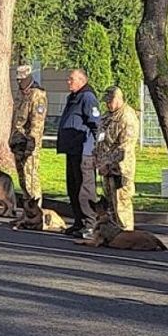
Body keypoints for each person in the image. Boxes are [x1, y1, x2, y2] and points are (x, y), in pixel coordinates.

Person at [56, 69, 100, 237]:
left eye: (72, 79)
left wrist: (96, 148)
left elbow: (95, 123)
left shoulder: (87, 97)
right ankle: (79, 222)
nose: (69, 82)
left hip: (85, 151)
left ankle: (90, 223)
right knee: (73, 187)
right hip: (72, 150)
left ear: (82, 80)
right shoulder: (73, 97)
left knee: (85, 189)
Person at [94, 86, 139, 230]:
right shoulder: (108, 116)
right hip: (105, 168)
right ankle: (113, 233)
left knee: (121, 202)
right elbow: (101, 140)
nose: (107, 104)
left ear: (118, 99)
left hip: (119, 169)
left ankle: (125, 232)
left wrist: (108, 164)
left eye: (110, 101)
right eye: (106, 101)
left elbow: (125, 147)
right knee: (110, 203)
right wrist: (96, 157)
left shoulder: (127, 117)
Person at [9, 65, 47, 206]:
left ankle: (35, 210)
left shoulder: (37, 95)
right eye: (18, 80)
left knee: (30, 178)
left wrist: (31, 145)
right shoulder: (21, 94)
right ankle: (27, 210)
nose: (19, 83)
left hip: (29, 143)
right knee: (22, 178)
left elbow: (37, 123)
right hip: (18, 142)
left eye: (22, 80)